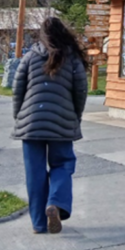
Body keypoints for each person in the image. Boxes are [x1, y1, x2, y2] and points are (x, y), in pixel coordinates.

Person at [12, 17, 90, 234]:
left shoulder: (29, 57)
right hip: (61, 122)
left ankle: (38, 224)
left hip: (30, 124)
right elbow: (81, 91)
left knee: (34, 173)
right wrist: (76, 116)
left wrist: (19, 117)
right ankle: (55, 202)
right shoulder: (72, 59)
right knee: (63, 164)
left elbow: (17, 90)